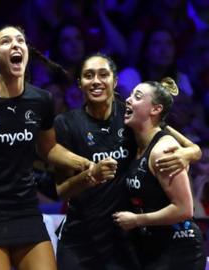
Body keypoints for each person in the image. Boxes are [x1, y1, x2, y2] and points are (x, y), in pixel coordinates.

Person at [0, 25, 88, 270]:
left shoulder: (41, 100)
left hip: (25, 209)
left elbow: (48, 149)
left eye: (20, 40)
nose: (15, 45)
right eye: (6, 41)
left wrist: (85, 164)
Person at [53, 53, 201, 270]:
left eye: (103, 74)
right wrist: (90, 176)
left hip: (122, 240)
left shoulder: (130, 115)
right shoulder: (65, 123)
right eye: (88, 75)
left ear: (115, 81)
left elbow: (174, 137)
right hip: (80, 237)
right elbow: (61, 190)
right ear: (80, 84)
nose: (96, 81)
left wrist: (189, 153)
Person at [113, 78, 206, 269]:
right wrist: (193, 150)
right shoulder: (138, 141)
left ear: (155, 109)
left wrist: (136, 220)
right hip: (153, 245)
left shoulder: (164, 150)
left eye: (137, 97)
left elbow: (184, 210)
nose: (128, 100)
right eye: (130, 95)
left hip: (179, 247)